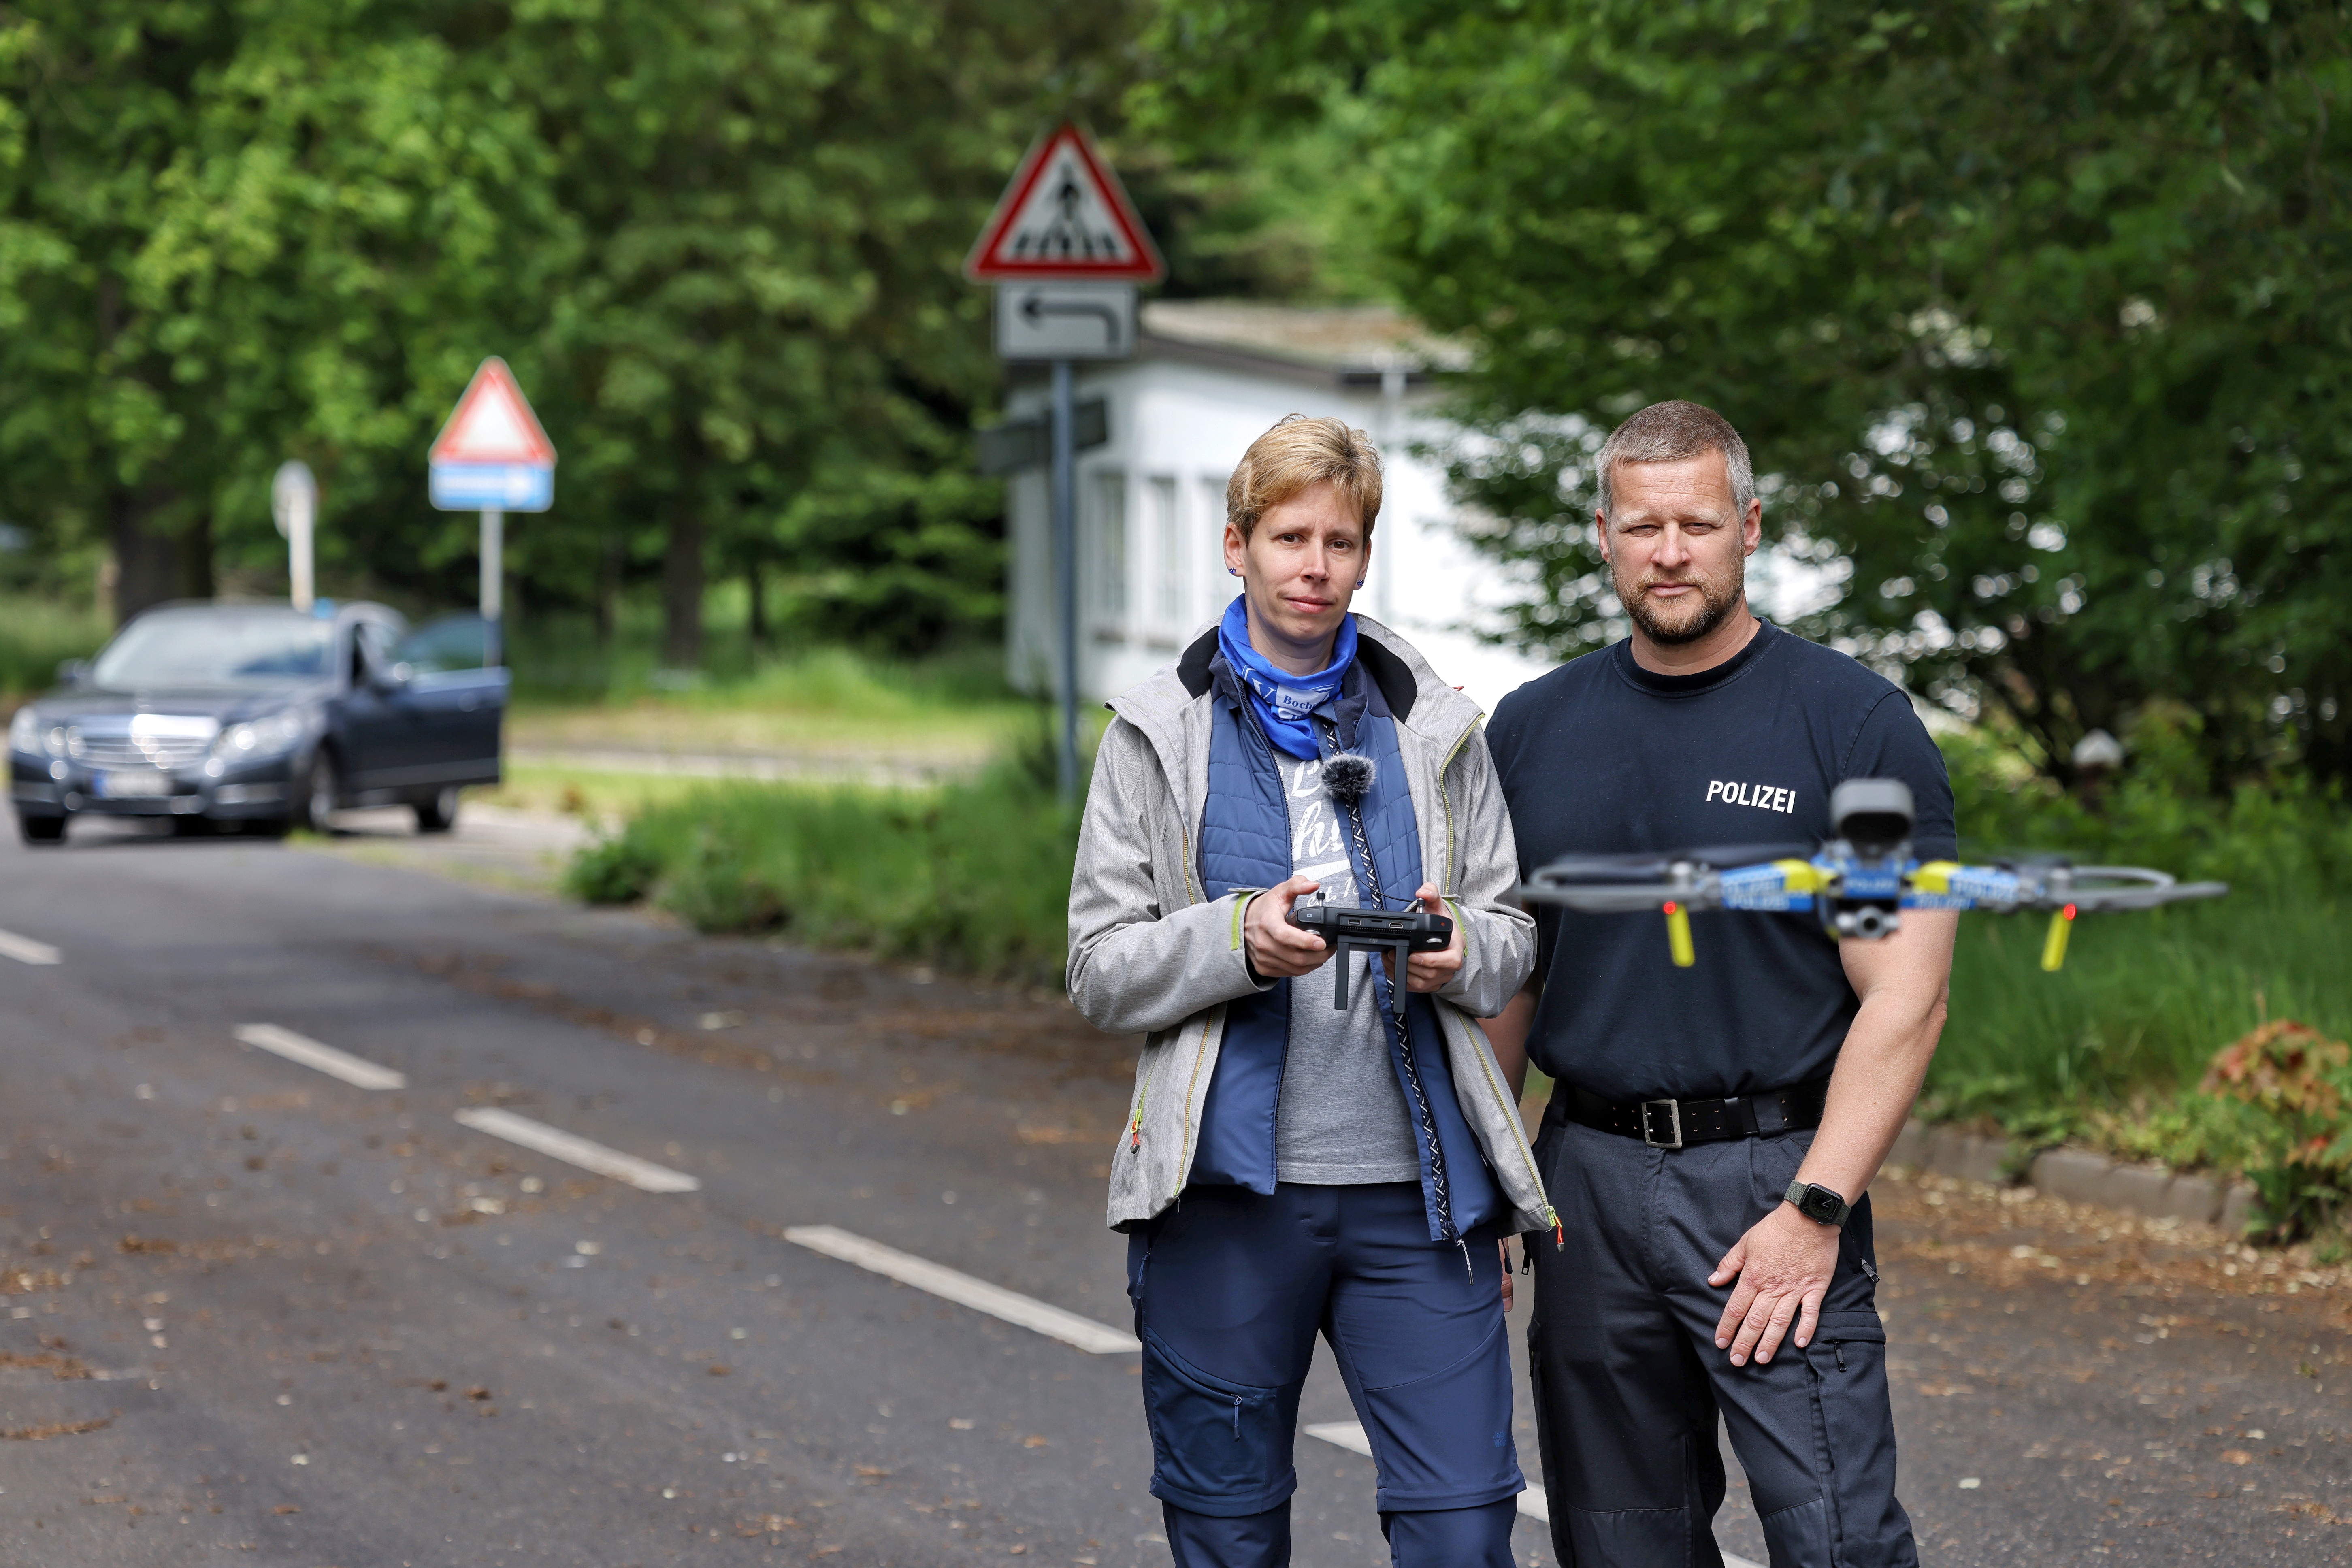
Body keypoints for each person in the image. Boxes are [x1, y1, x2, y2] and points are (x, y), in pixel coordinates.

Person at [1068, 414, 1555, 1568]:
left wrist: (1450, 951)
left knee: (1465, 1526)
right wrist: (1241, 940)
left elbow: (1513, 935)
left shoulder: (1435, 726)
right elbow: (1099, 968)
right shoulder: (1157, 730)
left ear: (1365, 557)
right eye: (1289, 536)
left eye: (1341, 541)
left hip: (1419, 1199)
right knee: (1227, 1532)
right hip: (1225, 1196)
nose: (1315, 565)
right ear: (1236, 545)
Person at [1483, 400, 1958, 1568]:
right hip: (1581, 1181)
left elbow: (1907, 996)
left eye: (1698, 523)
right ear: (1603, 534)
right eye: (1643, 526)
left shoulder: (1854, 728)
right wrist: (1494, 1175)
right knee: (1618, 1543)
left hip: (1770, 1180)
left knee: (1837, 1538)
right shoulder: (1531, 730)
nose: (1671, 551)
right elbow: (1505, 982)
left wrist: (1817, 1211)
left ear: (1751, 526)